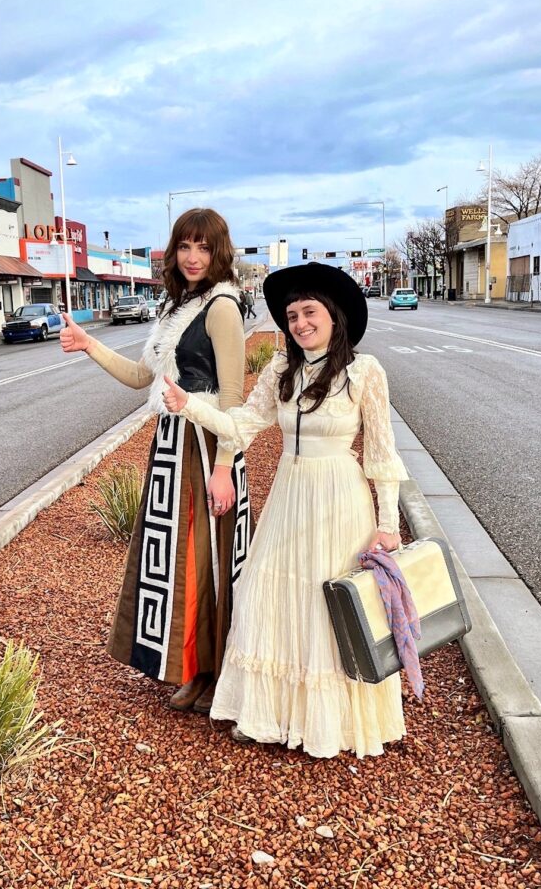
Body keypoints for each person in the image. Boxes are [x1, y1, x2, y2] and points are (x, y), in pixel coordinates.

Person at [162, 261, 409, 758]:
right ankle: (269, 714)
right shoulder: (281, 370)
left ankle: (330, 722)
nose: (300, 323)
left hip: (340, 499)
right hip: (290, 496)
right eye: (292, 316)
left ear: (334, 316)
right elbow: (241, 426)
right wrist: (188, 404)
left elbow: (382, 456)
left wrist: (387, 526)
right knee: (269, 592)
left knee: (329, 603)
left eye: (309, 312)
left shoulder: (365, 373)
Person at [61, 208, 251, 714]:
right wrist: (88, 344)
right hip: (172, 442)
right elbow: (141, 377)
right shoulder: (176, 307)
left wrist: (224, 467)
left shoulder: (221, 306)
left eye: (204, 248)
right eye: (185, 246)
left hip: (207, 444)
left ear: (219, 252)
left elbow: (233, 397)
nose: (193, 257)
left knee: (203, 556)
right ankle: (187, 664)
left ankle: (211, 669)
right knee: (173, 558)